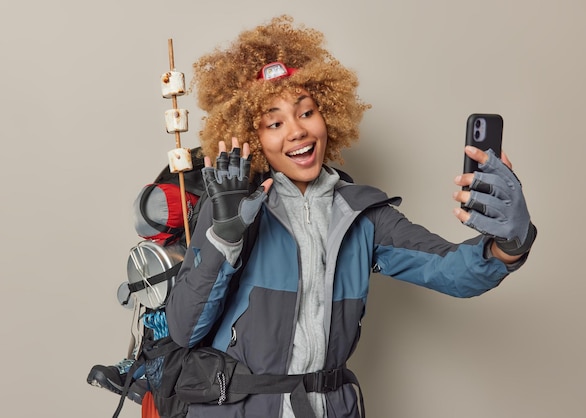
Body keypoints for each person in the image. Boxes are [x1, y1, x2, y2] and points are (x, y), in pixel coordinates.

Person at [164, 14, 536, 418]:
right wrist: (225, 240)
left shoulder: (362, 214)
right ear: (254, 138)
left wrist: (510, 243)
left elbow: (450, 271)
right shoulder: (232, 209)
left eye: (306, 112)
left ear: (328, 116)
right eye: (274, 122)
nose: (296, 131)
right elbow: (186, 330)